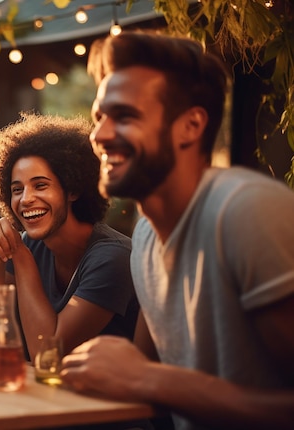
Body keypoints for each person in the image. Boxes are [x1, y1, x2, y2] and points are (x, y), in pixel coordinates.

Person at [60, 31, 294, 430]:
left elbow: (147, 377)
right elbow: (143, 381)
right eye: (100, 117)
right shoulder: (147, 236)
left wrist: (145, 377)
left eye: (126, 116)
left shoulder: (245, 210)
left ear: (191, 125)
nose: (98, 135)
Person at [0, 112, 139, 361]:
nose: (25, 199)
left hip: (105, 397)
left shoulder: (113, 258)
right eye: (16, 189)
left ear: (73, 189)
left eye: (40, 185)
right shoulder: (31, 245)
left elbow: (47, 355)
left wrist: (20, 256)